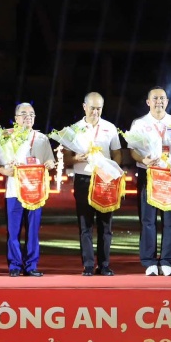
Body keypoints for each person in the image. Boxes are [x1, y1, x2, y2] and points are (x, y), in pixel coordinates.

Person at [129, 86, 171, 277]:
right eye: (155, 98)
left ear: (167, 101)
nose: (159, 101)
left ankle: (168, 261)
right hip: (149, 175)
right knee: (148, 220)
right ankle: (149, 262)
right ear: (148, 102)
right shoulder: (139, 124)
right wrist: (142, 160)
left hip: (170, 176)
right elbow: (132, 150)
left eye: (162, 98)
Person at [62, 93, 122, 276]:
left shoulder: (110, 128)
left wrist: (114, 169)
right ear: (84, 107)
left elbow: (117, 153)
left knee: (106, 225)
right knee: (85, 224)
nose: (95, 112)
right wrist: (76, 158)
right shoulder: (74, 129)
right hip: (83, 179)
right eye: (92, 108)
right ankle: (88, 265)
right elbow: (66, 158)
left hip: (105, 180)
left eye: (99, 108)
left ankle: (104, 265)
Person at [0, 103, 55, 277]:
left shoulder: (42, 139)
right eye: (24, 114)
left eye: (32, 114)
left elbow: (49, 162)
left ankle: (31, 265)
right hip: (14, 191)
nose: (28, 117)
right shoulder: (7, 137)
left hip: (35, 192)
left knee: (33, 230)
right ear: (16, 118)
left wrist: (50, 164)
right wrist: (7, 171)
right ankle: (14, 265)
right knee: (13, 231)